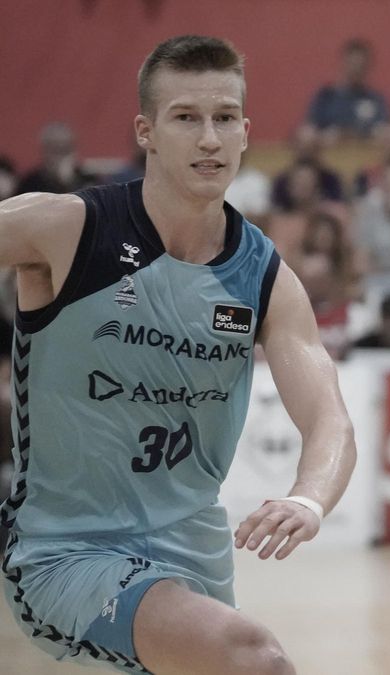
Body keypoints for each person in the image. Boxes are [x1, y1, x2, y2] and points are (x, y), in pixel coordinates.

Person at [0, 35, 356, 673]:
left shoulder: (265, 278)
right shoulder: (66, 227)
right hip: (67, 555)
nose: (209, 139)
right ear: (147, 131)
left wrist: (307, 498)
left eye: (224, 119)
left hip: (196, 562)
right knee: (256, 658)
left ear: (247, 133)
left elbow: (329, 420)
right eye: (186, 118)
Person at [305, 38, 388, 141]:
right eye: (353, 64)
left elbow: (381, 131)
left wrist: (351, 134)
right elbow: (310, 129)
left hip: (365, 154)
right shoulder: (325, 97)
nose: (356, 70)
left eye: (361, 66)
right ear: (343, 63)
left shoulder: (375, 100)